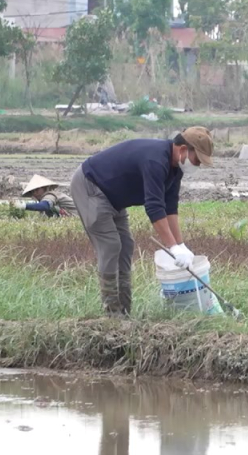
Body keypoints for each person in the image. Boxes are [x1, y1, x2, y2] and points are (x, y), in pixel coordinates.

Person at [69, 126, 214, 317]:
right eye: (197, 160)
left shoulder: (175, 168)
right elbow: (154, 207)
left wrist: (181, 244)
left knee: (126, 245)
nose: (197, 165)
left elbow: (170, 206)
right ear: (183, 150)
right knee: (111, 245)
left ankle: (125, 313)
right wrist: (172, 247)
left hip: (115, 198)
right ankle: (112, 314)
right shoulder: (155, 160)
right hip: (91, 186)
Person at [13, 174, 78, 217]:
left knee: (51, 209)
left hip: (78, 217)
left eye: (37, 189)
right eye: (32, 191)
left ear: (45, 188)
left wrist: (23, 205)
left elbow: (45, 206)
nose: (35, 193)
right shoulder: (45, 198)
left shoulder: (50, 195)